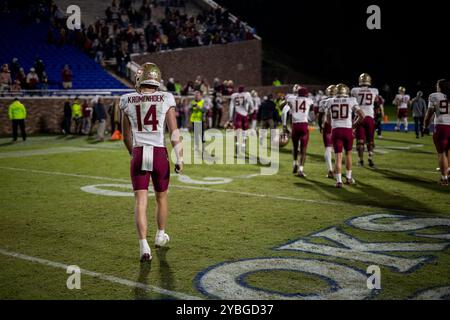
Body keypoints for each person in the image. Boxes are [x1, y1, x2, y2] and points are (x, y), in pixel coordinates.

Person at [120, 62, 183, 262]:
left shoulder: (127, 99)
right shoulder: (166, 98)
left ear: (140, 79)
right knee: (161, 198)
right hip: (158, 154)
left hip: (139, 152)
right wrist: (179, 157)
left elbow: (126, 136)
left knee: (140, 201)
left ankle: (143, 247)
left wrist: (133, 154)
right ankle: (159, 234)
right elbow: (174, 132)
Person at [325, 83, 364, 188]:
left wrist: (334, 124)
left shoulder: (330, 101)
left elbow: (327, 119)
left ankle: (338, 181)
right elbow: (362, 115)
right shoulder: (351, 100)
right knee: (348, 155)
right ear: (346, 91)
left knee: (338, 157)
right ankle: (348, 178)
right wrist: (353, 126)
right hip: (347, 130)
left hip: (336, 130)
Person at [282, 86, 314, 177]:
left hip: (295, 125)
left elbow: (284, 112)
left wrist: (284, 126)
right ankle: (301, 169)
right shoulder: (309, 100)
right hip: (304, 125)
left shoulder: (291, 99)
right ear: (306, 94)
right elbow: (312, 118)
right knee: (303, 149)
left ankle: (294, 163)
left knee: (295, 147)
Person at [423, 79, 450, 186]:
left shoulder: (434, 96)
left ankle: (444, 178)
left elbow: (429, 114)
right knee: (449, 151)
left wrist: (425, 126)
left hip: (441, 127)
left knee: (441, 153)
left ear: (440, 86)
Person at [351, 73, 380, 167]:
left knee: (360, 141)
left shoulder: (354, 90)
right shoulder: (374, 91)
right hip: (369, 117)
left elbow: (352, 104)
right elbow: (377, 104)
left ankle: (360, 160)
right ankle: (370, 158)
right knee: (370, 140)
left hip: (359, 116)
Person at [317, 84, 337, 178]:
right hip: (339, 125)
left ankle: (330, 170)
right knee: (339, 149)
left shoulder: (324, 101)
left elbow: (320, 116)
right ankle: (338, 169)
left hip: (328, 125)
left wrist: (320, 126)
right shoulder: (343, 100)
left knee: (328, 148)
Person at [228, 86, 254, 153]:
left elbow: (231, 107)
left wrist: (230, 118)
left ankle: (237, 144)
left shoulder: (234, 95)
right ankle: (243, 145)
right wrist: (251, 111)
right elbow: (251, 104)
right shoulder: (247, 94)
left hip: (238, 115)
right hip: (245, 115)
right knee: (245, 131)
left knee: (237, 131)